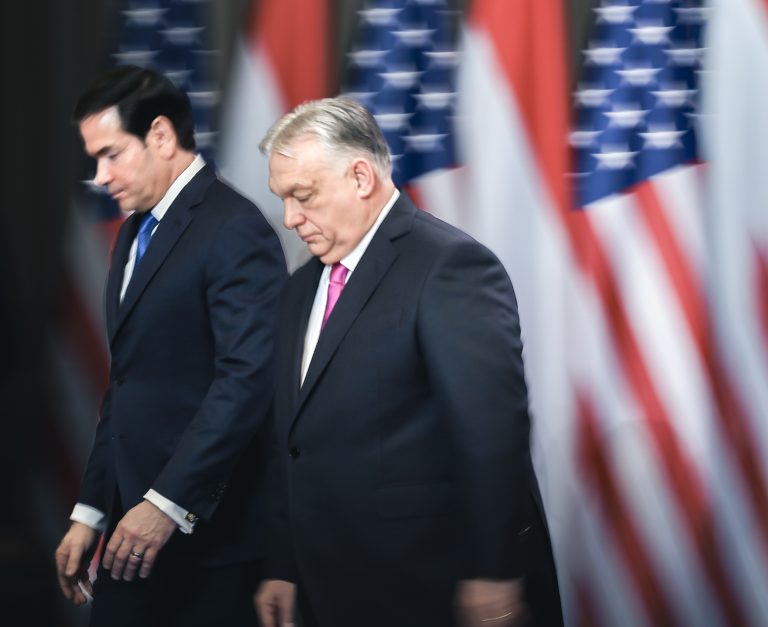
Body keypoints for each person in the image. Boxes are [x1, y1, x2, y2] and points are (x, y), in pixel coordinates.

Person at [254, 96, 563, 627]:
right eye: (283, 199)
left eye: (303, 196)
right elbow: (293, 437)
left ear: (360, 177)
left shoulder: (449, 265)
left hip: (430, 584)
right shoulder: (302, 284)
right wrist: (285, 562)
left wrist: (493, 572)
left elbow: (491, 432)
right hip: (328, 586)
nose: (290, 218)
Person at [54, 65, 287, 627]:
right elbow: (127, 383)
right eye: (94, 160)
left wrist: (166, 504)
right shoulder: (134, 232)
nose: (101, 175)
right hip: (127, 534)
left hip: (209, 546)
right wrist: (90, 508)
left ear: (160, 135)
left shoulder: (234, 228)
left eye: (111, 154)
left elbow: (245, 383)